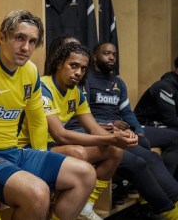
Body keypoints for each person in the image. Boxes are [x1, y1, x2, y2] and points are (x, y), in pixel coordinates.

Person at [0, 10, 96, 220]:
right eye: (19, 38)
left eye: (32, 41)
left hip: (15, 152)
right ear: (2, 36)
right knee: (38, 193)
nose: (26, 47)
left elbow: (38, 120)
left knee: (85, 175)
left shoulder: (30, 71)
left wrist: (41, 158)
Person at [18, 40, 138, 220]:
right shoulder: (43, 87)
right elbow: (61, 135)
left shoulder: (75, 92)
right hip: (29, 149)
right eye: (73, 66)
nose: (78, 73)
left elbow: (93, 128)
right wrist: (111, 139)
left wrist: (119, 137)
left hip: (53, 147)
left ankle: (85, 206)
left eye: (83, 68)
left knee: (115, 151)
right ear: (59, 63)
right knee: (78, 152)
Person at [67, 42, 178, 219]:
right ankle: (169, 207)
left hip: (117, 127)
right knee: (147, 158)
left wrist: (137, 130)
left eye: (114, 54)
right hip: (102, 129)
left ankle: (155, 196)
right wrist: (110, 126)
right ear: (95, 57)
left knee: (151, 141)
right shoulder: (85, 80)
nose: (111, 57)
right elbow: (84, 119)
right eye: (106, 53)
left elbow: (126, 111)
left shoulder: (118, 82)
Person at [135, 57, 178, 130]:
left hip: (162, 126)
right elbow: (171, 121)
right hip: (143, 126)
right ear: (177, 70)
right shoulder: (165, 87)